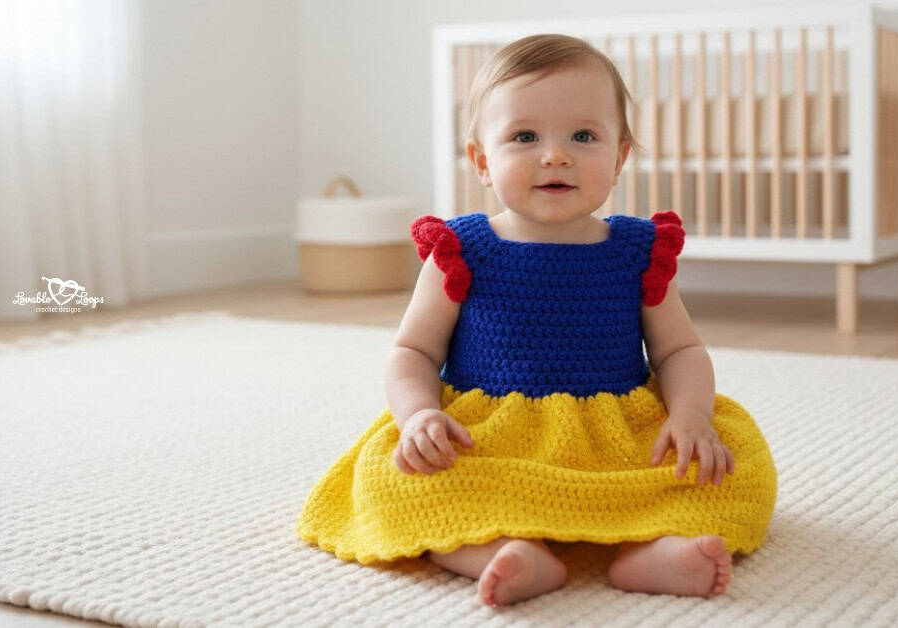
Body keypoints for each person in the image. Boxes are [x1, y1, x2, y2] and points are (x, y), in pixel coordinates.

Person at [297, 33, 776, 608]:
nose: (556, 154)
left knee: (733, 464)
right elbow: (413, 352)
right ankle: (500, 550)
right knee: (394, 480)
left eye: (584, 135)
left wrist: (691, 416)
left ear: (620, 156)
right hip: (488, 434)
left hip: (616, 435)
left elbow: (679, 352)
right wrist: (419, 414)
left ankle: (652, 553)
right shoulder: (464, 248)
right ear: (482, 161)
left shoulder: (635, 251)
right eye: (525, 137)